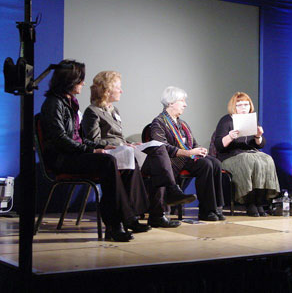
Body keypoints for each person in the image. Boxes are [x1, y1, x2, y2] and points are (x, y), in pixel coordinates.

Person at [40, 60, 147, 242]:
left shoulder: (70, 103)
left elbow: (81, 138)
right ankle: (116, 224)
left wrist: (101, 147)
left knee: (121, 156)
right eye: (80, 79)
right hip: (62, 159)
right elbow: (60, 139)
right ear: (70, 80)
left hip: (75, 154)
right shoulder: (53, 103)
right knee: (107, 162)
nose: (83, 83)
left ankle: (128, 217)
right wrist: (91, 150)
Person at [82, 72, 195, 228]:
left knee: (158, 151)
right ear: (107, 89)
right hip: (109, 154)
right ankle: (168, 195)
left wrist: (129, 143)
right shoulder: (92, 111)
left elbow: (118, 137)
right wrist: (121, 146)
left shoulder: (115, 111)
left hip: (123, 150)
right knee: (159, 160)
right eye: (118, 88)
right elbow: (93, 141)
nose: (121, 91)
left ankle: (159, 213)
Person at [150, 86, 225, 221]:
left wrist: (200, 150)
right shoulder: (159, 122)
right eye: (182, 101)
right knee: (206, 164)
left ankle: (216, 207)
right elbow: (161, 147)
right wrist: (188, 152)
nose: (185, 104)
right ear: (171, 103)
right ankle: (206, 211)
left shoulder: (182, 123)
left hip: (187, 158)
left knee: (216, 162)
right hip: (173, 161)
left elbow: (193, 143)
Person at [214, 92, 280, 217]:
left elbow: (260, 145)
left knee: (267, 159)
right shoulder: (226, 120)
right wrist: (229, 136)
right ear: (234, 107)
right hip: (230, 157)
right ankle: (249, 202)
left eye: (246, 104)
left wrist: (258, 136)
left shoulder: (251, 120)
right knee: (247, 160)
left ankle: (260, 201)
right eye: (239, 105)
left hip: (250, 154)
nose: (243, 107)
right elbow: (218, 145)